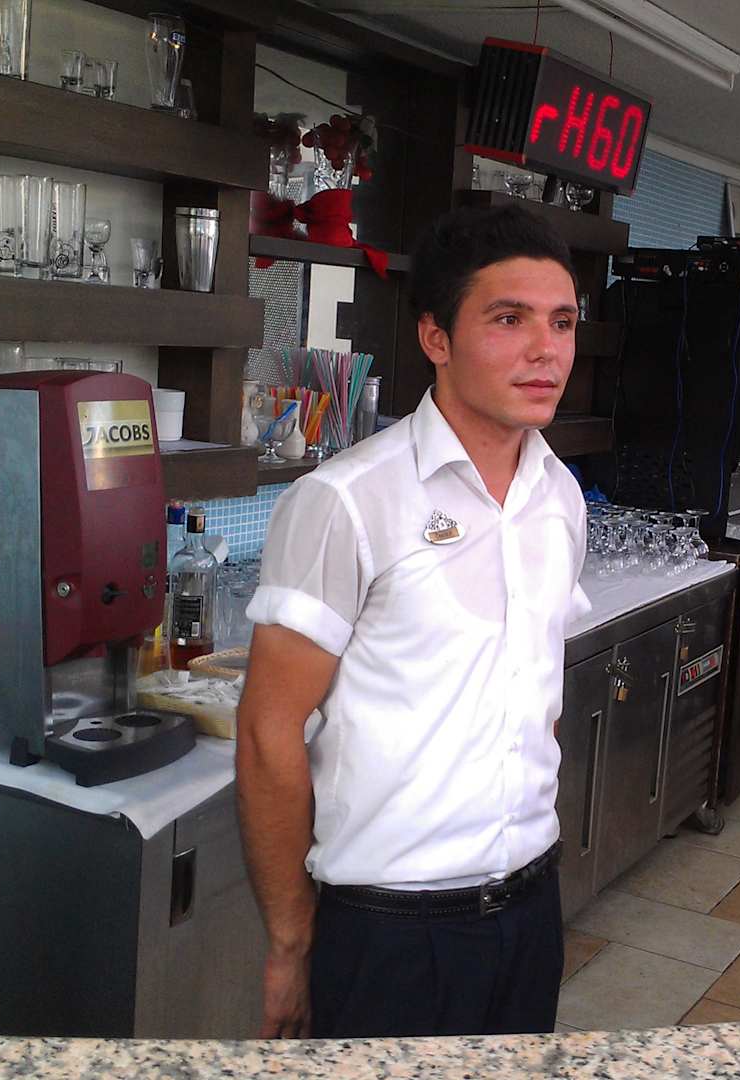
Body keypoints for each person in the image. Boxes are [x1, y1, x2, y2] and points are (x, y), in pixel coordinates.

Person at [236, 203, 588, 1040]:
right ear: (436, 337)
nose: (546, 349)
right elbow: (267, 730)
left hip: (531, 907)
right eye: (509, 319)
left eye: (563, 322)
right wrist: (290, 942)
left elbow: (532, 697)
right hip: (392, 930)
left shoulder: (560, 497)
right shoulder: (347, 500)